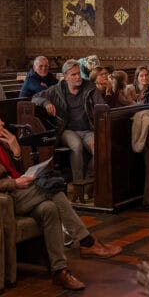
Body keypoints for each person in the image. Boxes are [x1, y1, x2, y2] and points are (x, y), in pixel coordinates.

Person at [0, 107, 122, 291]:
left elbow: (16, 171)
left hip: (19, 193)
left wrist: (16, 151)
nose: (2, 123)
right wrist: (14, 183)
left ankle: (59, 271)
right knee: (53, 189)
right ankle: (86, 241)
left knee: (50, 209)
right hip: (2, 201)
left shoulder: (1, 145)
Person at [32, 60, 106, 199]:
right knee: (76, 146)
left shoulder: (89, 87)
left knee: (100, 149)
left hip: (87, 130)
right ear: (65, 76)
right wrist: (46, 103)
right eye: (73, 75)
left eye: (78, 74)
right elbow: (35, 98)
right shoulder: (57, 89)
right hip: (66, 130)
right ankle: (78, 188)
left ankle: (86, 185)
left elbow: (102, 107)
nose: (78, 77)